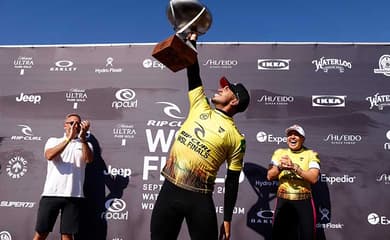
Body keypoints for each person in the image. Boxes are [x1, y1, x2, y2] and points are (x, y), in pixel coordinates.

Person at [150, 33, 250, 240]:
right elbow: (193, 72)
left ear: (235, 102)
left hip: (199, 200)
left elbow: (232, 181)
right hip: (169, 191)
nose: (222, 87)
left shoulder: (236, 138)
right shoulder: (199, 105)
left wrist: (228, 219)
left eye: (228, 88)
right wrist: (192, 41)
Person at [33, 113, 94, 240]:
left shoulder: (85, 144)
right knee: (41, 234)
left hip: (74, 196)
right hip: (51, 194)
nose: (75, 126)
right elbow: (50, 155)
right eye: (71, 123)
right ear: (65, 126)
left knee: (67, 236)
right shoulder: (53, 141)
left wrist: (82, 139)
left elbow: (89, 159)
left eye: (78, 123)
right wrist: (68, 139)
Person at [267, 124, 320, 240]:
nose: (292, 137)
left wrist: (295, 168)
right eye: (290, 134)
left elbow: (314, 178)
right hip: (283, 200)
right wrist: (280, 167)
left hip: (304, 201)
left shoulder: (311, 154)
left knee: (308, 236)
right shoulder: (279, 153)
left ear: (303, 139)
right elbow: (269, 176)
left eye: (296, 135)